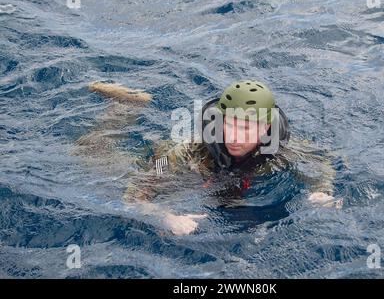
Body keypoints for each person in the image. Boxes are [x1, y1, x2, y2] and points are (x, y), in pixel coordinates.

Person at [73, 80, 342, 235]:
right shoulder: (185, 151)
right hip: (167, 166)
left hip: (225, 188)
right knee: (88, 152)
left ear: (266, 128)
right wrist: (163, 216)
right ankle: (126, 106)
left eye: (246, 128)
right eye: (230, 125)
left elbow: (320, 162)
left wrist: (321, 191)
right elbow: (136, 193)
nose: (235, 137)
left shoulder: (283, 150)